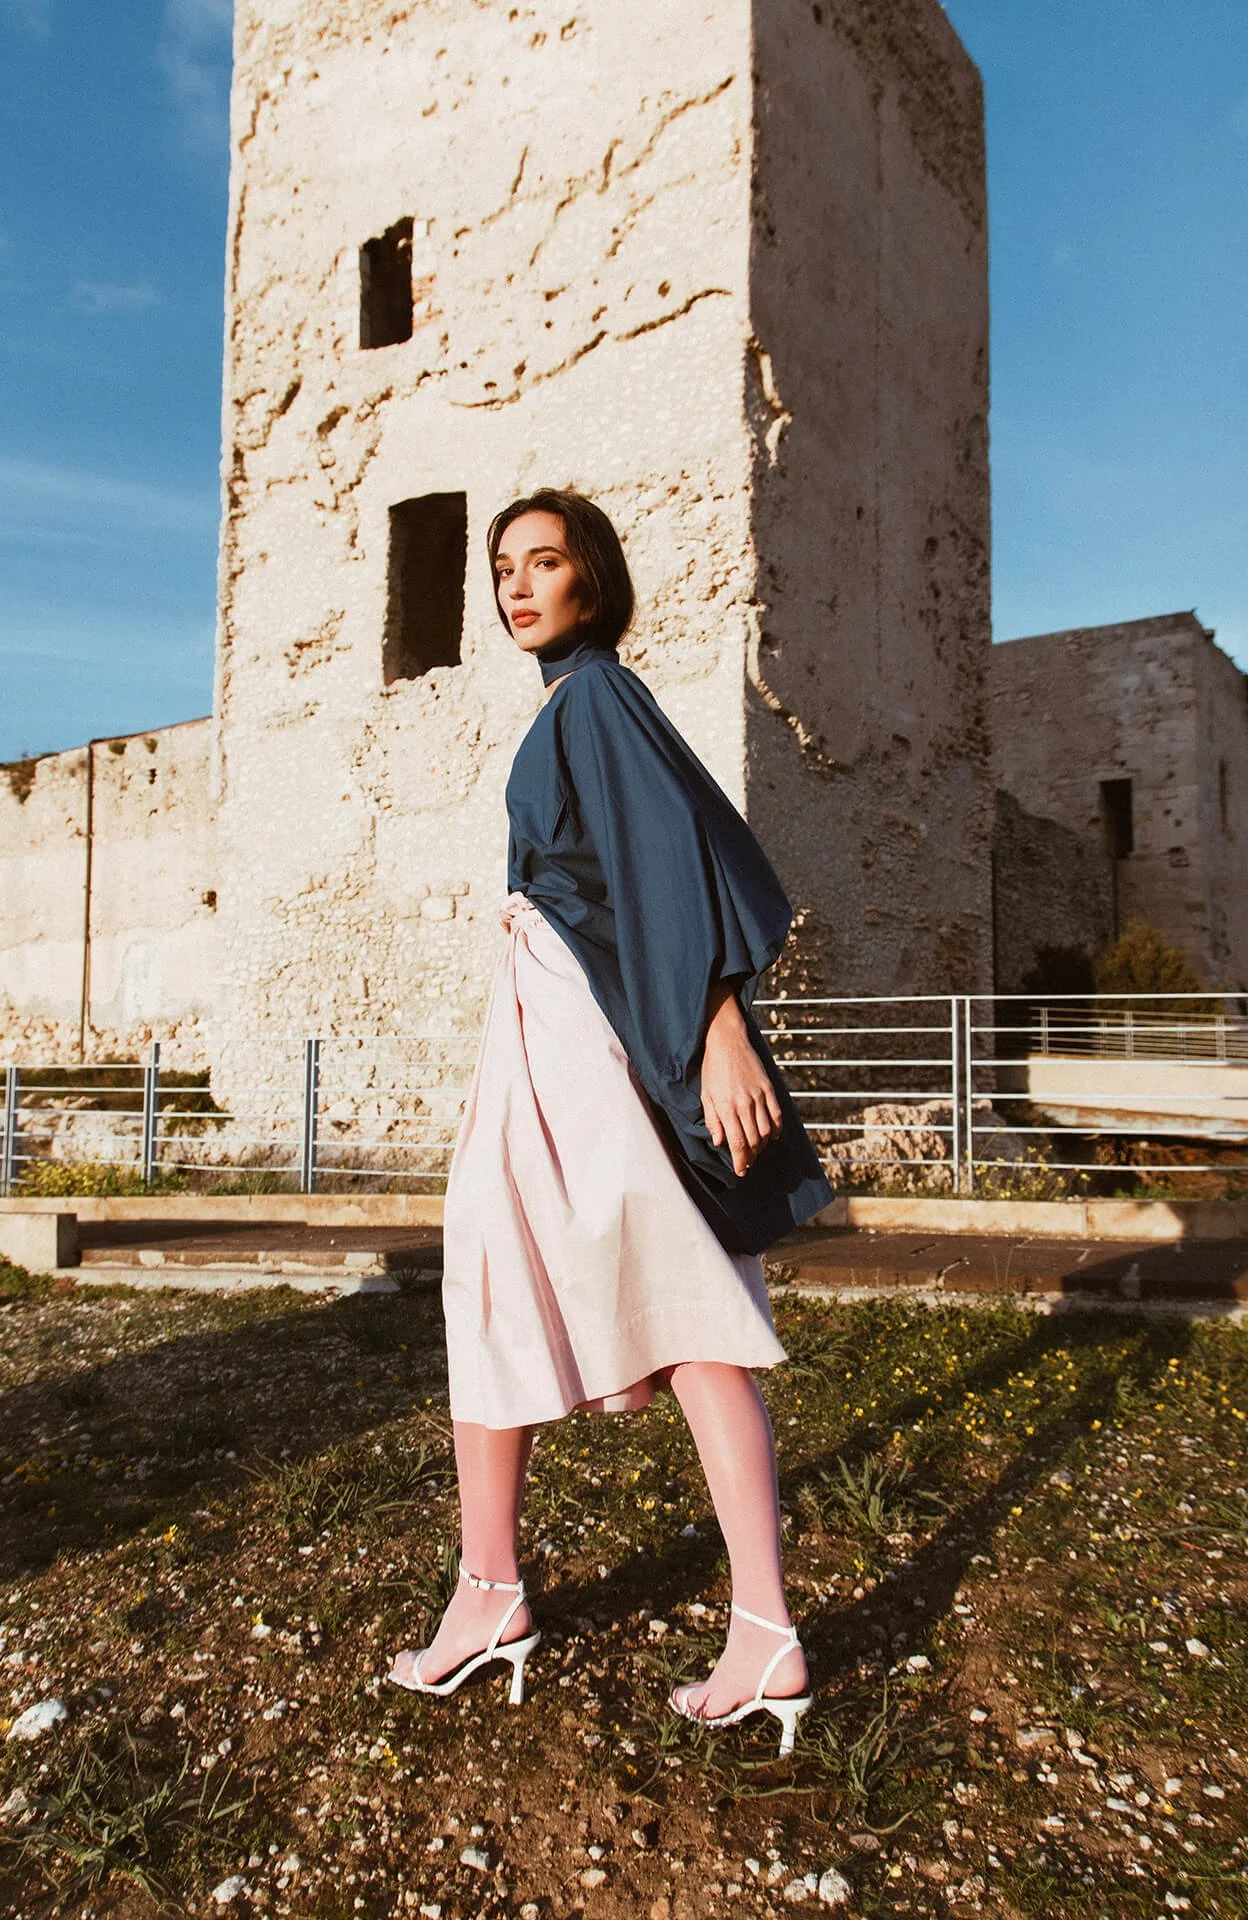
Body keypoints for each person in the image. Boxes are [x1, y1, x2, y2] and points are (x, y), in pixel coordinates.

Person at [390, 489, 833, 1754]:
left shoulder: (593, 698)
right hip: (548, 1022)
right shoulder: (578, 702)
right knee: (587, 1282)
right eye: (500, 566)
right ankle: (523, 1593)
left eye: (544, 561)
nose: (515, 586)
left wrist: (717, 1030)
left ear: (593, 577)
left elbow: (679, 857)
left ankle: (697, 1618)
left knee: (651, 1288)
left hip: (579, 1038)